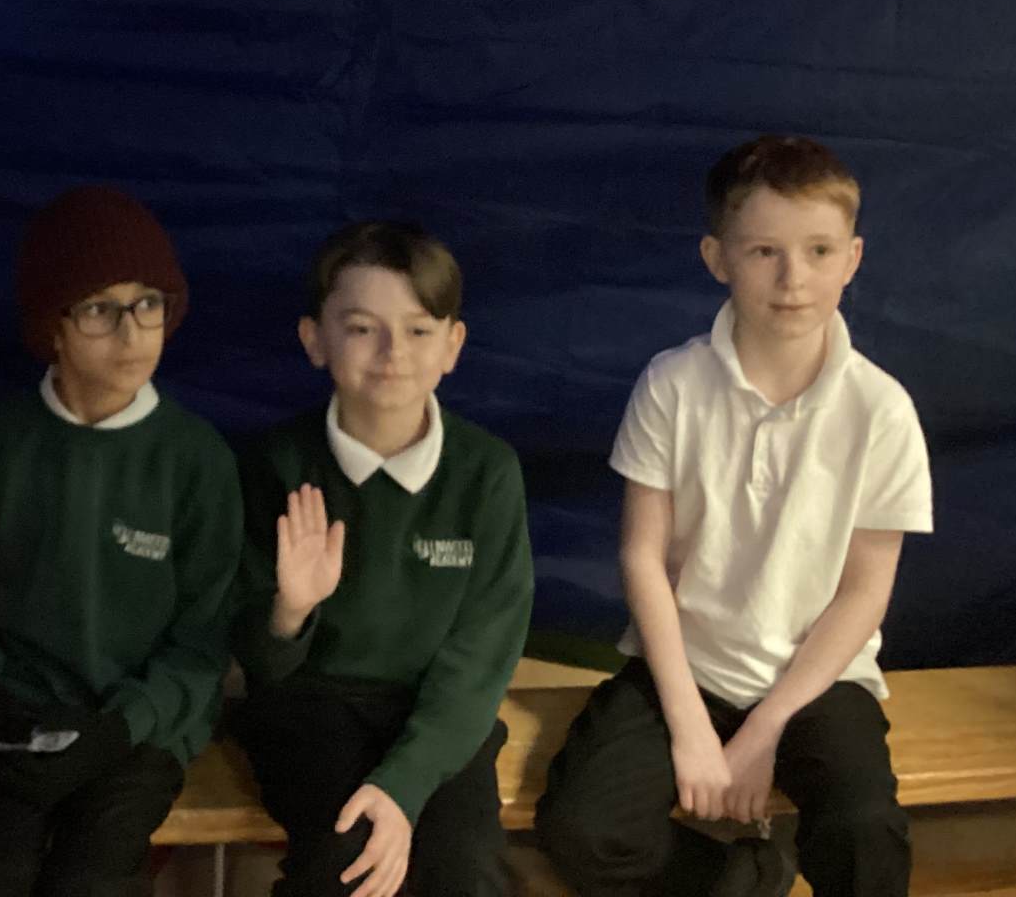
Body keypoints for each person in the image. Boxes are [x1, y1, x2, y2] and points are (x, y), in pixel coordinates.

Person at [536, 134, 933, 897]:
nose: (793, 279)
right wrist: (690, 725)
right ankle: (743, 876)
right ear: (717, 258)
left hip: (818, 683)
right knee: (584, 829)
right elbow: (642, 558)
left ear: (852, 259)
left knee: (863, 831)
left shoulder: (881, 409)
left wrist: (767, 728)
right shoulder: (672, 386)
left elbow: (864, 592)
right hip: (687, 667)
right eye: (763, 252)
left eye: (819, 251)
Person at [0, 185, 242, 897]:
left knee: (92, 879)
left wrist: (122, 727)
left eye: (147, 304)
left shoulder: (197, 460)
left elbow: (203, 639)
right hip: (12, 717)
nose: (131, 334)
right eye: (99, 309)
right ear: (53, 328)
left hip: (137, 733)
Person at [233, 220, 533, 897]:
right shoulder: (278, 463)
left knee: (465, 874)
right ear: (315, 339)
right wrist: (290, 612)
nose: (393, 352)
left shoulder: (486, 472)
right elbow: (260, 664)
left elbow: (480, 659)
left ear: (453, 345)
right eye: (363, 328)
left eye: (419, 330)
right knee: (348, 865)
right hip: (311, 709)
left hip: (440, 715)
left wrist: (402, 785)